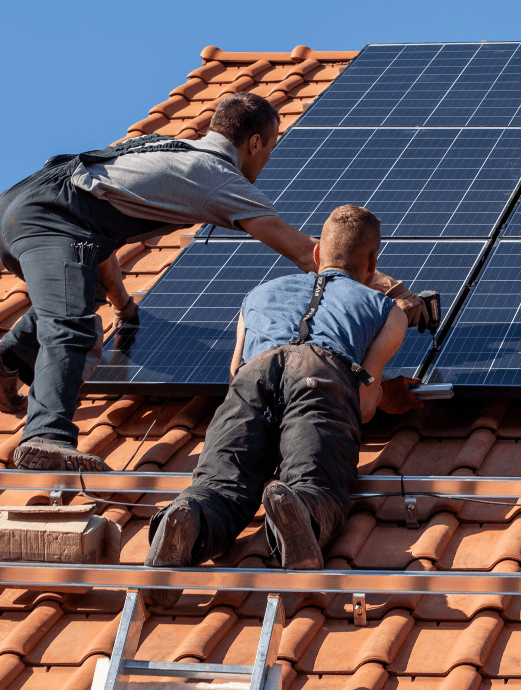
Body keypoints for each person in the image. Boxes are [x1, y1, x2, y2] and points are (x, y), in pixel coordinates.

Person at [0, 95, 429, 472]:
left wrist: (124, 308)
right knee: (74, 329)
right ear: (255, 143)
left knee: (77, 292)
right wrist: (393, 291)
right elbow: (308, 253)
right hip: (52, 218)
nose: (268, 159)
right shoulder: (213, 176)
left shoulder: (167, 151)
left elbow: (99, 245)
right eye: (271, 146)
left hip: (22, 205)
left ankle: (5, 364)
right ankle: (46, 438)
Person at [145, 205, 424, 605]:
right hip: (323, 372)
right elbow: (362, 404)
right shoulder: (387, 311)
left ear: (315, 256)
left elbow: (234, 376)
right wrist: (384, 398)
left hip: (253, 375)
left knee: (220, 485)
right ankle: (300, 509)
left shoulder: (257, 295)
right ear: (373, 262)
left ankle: (191, 516)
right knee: (317, 480)